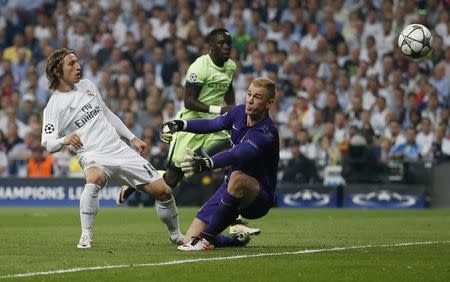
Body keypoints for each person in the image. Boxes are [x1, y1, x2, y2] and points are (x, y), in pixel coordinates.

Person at [117, 28, 259, 235]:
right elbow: (189, 101)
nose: (227, 47)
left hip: (217, 126)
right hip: (191, 123)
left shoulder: (230, 66)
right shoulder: (199, 67)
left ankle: (236, 220)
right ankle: (139, 181)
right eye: (222, 43)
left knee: (234, 158)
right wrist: (219, 109)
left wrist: (232, 115)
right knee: (173, 179)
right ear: (210, 46)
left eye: (229, 43)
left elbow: (227, 89)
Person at [41, 48, 183, 249]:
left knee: (164, 192)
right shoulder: (54, 106)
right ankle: (86, 235)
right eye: (71, 64)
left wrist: (132, 138)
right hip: (91, 154)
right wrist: (65, 139)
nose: (78, 66)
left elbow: (107, 113)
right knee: (94, 178)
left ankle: (176, 235)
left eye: (77, 62)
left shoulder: (88, 85)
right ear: (57, 71)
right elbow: (48, 143)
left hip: (118, 148)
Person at [160, 77, 279, 251]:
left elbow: (237, 155)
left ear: (269, 103)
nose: (250, 100)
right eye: (249, 94)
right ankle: (236, 240)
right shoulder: (239, 113)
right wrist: (180, 124)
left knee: (238, 178)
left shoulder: (266, 133)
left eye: (257, 97)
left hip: (259, 197)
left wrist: (206, 163)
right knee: (188, 239)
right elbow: (211, 124)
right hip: (230, 185)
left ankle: (206, 241)